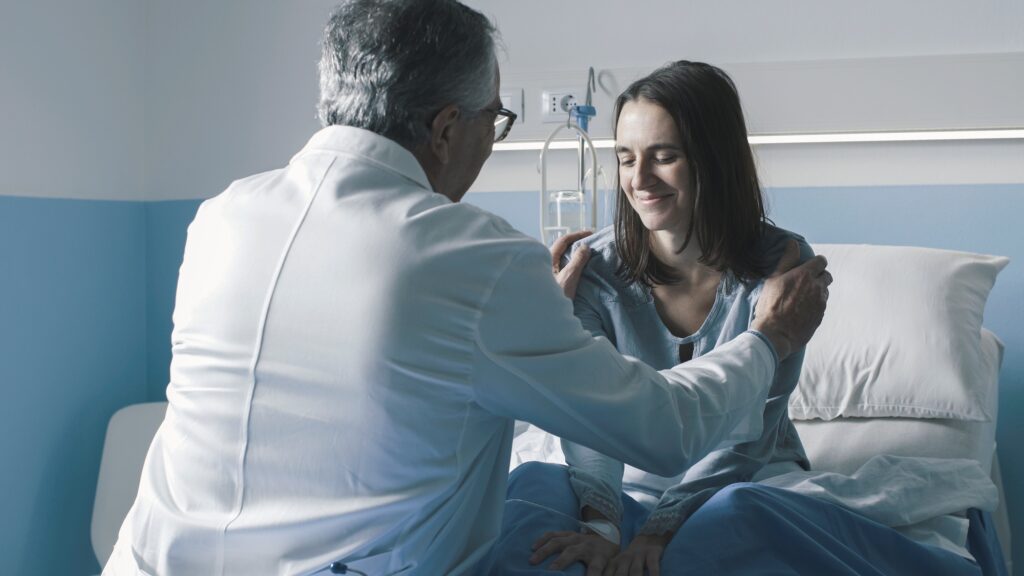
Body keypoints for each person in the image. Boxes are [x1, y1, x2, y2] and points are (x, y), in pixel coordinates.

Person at [102, 3, 830, 575]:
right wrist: (771, 338)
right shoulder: (480, 259)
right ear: (447, 127)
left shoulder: (222, 217)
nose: (639, 177)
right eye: (495, 120)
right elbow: (663, 431)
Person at [498, 61, 984, 576]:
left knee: (737, 516)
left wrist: (662, 528)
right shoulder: (591, 271)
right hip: (616, 476)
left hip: (741, 476)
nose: (639, 180)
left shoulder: (782, 270)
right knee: (529, 494)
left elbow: (754, 431)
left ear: (713, 160)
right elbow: (589, 417)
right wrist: (601, 527)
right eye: (625, 158)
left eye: (664, 157)